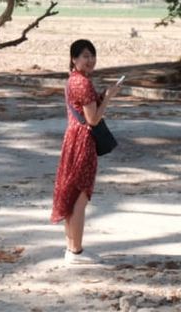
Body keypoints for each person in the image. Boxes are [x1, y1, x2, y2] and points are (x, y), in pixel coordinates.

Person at [50, 38, 120, 265]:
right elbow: (93, 119)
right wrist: (108, 99)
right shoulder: (84, 83)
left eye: (92, 55)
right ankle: (77, 252)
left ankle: (71, 249)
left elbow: (84, 109)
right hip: (83, 141)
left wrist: (99, 98)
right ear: (74, 59)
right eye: (84, 56)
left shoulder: (73, 80)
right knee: (80, 197)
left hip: (71, 138)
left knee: (71, 196)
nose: (90, 60)